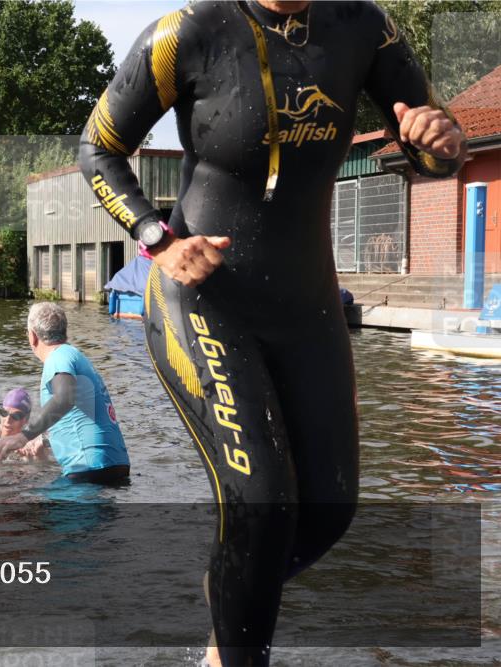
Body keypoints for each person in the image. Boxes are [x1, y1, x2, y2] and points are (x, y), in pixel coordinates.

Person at [76, 2, 467, 665]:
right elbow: (97, 148)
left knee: (327, 509)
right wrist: (157, 239)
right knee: (260, 501)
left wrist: (442, 146)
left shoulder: (362, 27)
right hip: (200, 297)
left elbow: (435, 151)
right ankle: (233, 650)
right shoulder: (189, 33)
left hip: (306, 303)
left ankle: (230, 592)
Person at [0, 303, 129, 484]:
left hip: (89, 467)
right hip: (112, 464)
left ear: (32, 336)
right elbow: (78, 416)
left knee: (16, 504)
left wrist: (22, 436)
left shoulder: (57, 358)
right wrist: (45, 439)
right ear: (65, 332)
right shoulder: (74, 355)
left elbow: (65, 399)